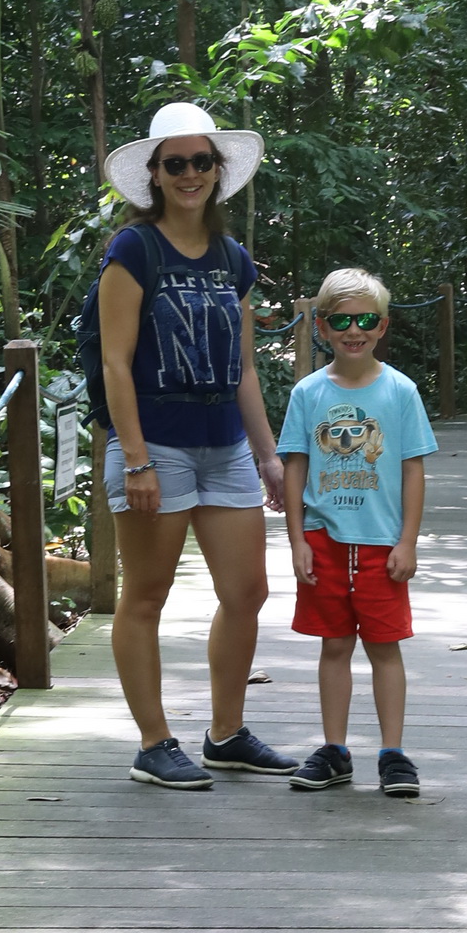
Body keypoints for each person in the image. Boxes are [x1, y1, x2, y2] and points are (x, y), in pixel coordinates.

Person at [98, 100, 300, 790]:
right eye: (175, 163)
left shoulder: (232, 258)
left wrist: (268, 454)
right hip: (156, 443)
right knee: (146, 593)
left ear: (218, 169)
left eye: (201, 161)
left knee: (246, 591)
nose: (189, 174)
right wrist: (136, 460)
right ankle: (154, 743)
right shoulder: (134, 250)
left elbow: (244, 367)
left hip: (226, 445)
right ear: (154, 174)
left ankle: (226, 733)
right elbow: (115, 363)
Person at [278, 265, 437, 797]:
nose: (354, 330)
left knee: (385, 647)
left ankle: (393, 753)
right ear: (322, 327)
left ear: (383, 325)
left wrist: (407, 540)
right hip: (324, 540)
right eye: (341, 321)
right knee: (334, 645)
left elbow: (413, 468)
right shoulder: (308, 393)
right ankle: (335, 749)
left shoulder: (400, 391)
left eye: (366, 319)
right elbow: (295, 466)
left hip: (381, 542)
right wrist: (296, 538)